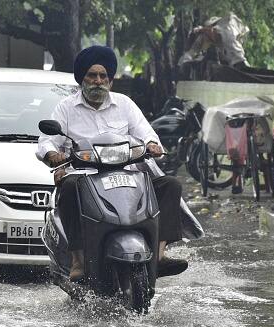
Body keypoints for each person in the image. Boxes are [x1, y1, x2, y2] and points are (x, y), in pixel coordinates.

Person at [37, 45, 187, 281]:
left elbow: (146, 131)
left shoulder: (124, 104)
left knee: (171, 185)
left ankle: (158, 255)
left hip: (126, 175)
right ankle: (77, 259)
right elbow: (46, 142)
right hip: (84, 176)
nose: (98, 81)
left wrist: (152, 144)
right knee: (67, 188)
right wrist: (53, 155)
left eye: (103, 76)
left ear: (110, 80)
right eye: (92, 76)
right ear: (82, 80)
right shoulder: (66, 108)